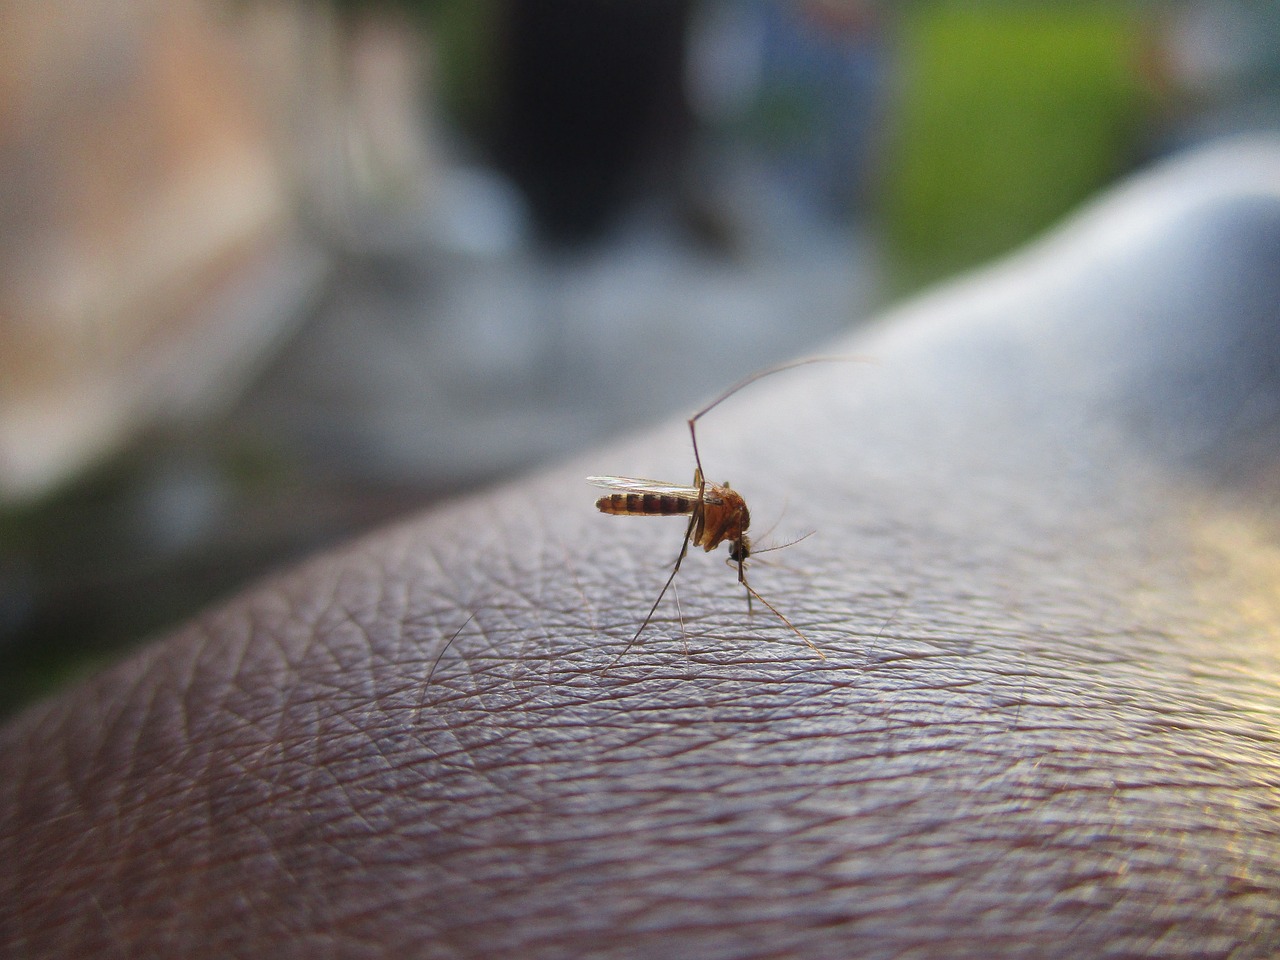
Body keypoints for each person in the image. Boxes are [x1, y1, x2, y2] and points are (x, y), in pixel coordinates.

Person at [4, 137, 1280, 958]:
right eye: (734, 534)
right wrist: (706, 508)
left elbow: (733, 513)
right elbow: (718, 500)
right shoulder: (708, 508)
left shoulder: (731, 517)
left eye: (731, 533)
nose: (737, 535)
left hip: (677, 497)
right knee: (696, 492)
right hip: (651, 498)